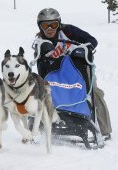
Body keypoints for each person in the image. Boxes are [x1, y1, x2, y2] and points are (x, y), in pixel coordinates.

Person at [32, 8, 112, 139]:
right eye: (45, 25)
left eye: (53, 25)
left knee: (94, 93)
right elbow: (41, 66)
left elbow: (92, 41)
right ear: (40, 26)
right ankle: (43, 123)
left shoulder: (68, 31)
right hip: (57, 73)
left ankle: (105, 130)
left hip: (79, 69)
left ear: (59, 24)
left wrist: (83, 48)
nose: (50, 29)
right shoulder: (41, 42)